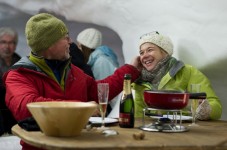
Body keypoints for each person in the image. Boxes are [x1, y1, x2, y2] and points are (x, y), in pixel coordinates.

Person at [3, 13, 142, 150]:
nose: (70, 42)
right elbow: (27, 108)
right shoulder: (19, 75)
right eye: (66, 37)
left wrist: (131, 69)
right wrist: (82, 109)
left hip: (76, 145)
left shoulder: (73, 71)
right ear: (50, 44)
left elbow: (97, 91)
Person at [132, 31, 222, 120]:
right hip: (154, 130)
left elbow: (216, 106)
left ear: (164, 52)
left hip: (186, 130)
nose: (144, 56)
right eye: (141, 53)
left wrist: (205, 109)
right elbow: (139, 117)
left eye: (150, 50)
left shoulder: (187, 72)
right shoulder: (141, 81)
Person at [76, 28, 120, 116]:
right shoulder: (96, 59)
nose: (77, 48)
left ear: (83, 45)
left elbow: (103, 90)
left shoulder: (101, 62)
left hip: (110, 109)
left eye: (79, 44)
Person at [0, 27, 21, 135]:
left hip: (15, 111)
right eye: (3, 42)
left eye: (11, 43)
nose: (7, 47)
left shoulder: (21, 63)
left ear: (15, 45)